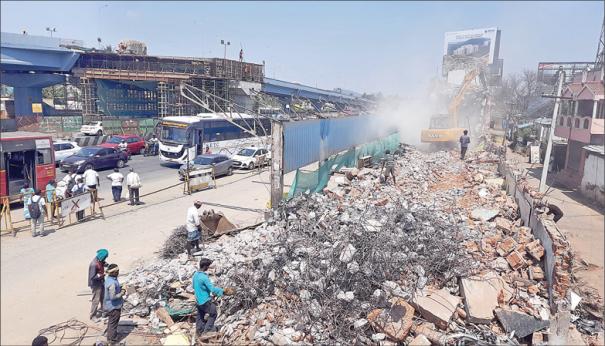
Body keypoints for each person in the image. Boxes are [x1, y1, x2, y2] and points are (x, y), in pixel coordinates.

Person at [193, 258, 224, 334]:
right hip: (205, 301)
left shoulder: (195, 275)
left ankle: (199, 331)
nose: (208, 268)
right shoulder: (204, 277)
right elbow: (212, 289)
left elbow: (193, 286)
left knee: (200, 315)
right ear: (205, 266)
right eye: (208, 266)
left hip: (198, 300)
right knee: (213, 314)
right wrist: (222, 291)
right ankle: (207, 331)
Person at [103, 264, 125, 345]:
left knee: (111, 322)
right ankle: (112, 340)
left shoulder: (109, 279)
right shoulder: (112, 283)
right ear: (114, 272)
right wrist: (122, 293)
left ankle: (110, 336)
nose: (118, 272)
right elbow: (113, 297)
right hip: (114, 307)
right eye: (117, 271)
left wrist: (120, 287)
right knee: (113, 324)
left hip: (109, 306)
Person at [89, 249, 109, 321]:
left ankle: (104, 312)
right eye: (105, 257)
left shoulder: (100, 260)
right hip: (96, 284)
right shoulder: (93, 264)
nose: (105, 259)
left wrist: (108, 265)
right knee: (96, 300)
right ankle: (93, 316)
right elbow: (92, 277)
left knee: (103, 297)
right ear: (101, 256)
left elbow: (103, 263)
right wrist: (102, 275)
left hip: (101, 282)